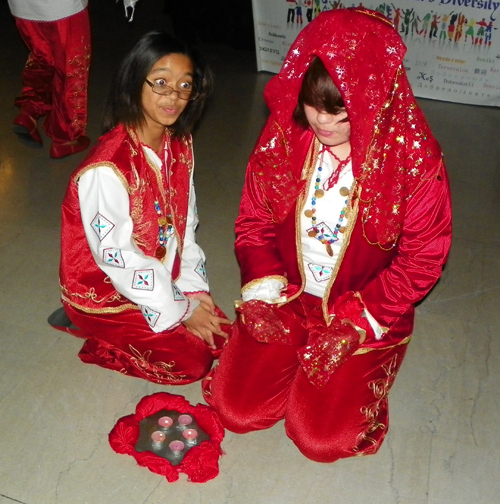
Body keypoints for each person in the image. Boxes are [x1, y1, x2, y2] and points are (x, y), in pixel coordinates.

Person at [203, 8, 452, 463]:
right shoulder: (285, 136)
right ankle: (293, 357)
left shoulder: (414, 162)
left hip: (360, 308)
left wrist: (357, 323)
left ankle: (347, 366)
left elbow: (422, 260)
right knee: (234, 411)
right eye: (313, 106)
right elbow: (254, 222)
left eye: (341, 114)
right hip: (290, 296)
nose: (322, 123)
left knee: (320, 440)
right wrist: (261, 291)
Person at [49, 31, 231, 385]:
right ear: (135, 82)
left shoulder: (178, 142)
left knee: (224, 338)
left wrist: (193, 289)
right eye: (161, 82)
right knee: (192, 364)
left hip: (165, 274)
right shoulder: (106, 169)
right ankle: (91, 330)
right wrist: (180, 308)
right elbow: (118, 258)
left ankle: (171, 310)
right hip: (109, 291)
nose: (173, 97)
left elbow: (185, 221)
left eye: (184, 86)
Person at [8, 0, 91, 158]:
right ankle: (65, 137)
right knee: (71, 67)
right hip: (62, 6)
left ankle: (30, 110)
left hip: (22, 6)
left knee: (42, 58)